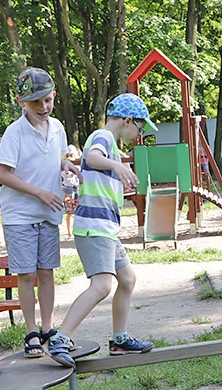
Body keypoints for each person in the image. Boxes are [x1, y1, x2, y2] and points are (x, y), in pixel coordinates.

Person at [46, 93, 156, 367]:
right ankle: (61, 338)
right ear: (128, 120)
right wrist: (116, 165)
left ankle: (119, 340)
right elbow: (92, 158)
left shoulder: (111, 145)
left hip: (106, 229)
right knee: (102, 286)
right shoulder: (103, 136)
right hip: (94, 228)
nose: (139, 134)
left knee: (127, 279)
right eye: (140, 128)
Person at [0, 67, 81, 358]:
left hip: (48, 213)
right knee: (26, 274)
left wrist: (65, 166)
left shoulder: (57, 127)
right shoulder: (14, 133)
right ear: (22, 103)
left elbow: (53, 159)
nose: (43, 107)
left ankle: (48, 329)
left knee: (46, 272)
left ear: (53, 96)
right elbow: (2, 174)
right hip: (20, 215)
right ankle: (31, 331)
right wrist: (39, 192)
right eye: (36, 102)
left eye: (47, 100)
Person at [62, 145, 81, 239]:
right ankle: (69, 232)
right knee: (69, 213)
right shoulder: (65, 163)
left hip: (76, 188)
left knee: (78, 211)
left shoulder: (77, 163)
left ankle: (76, 231)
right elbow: (66, 175)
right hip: (68, 188)